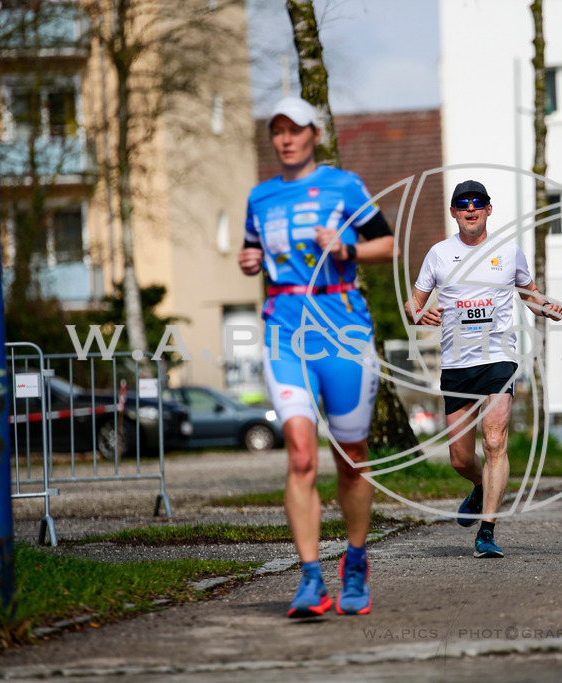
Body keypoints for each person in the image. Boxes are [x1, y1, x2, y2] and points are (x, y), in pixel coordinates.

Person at [239, 97, 395, 617]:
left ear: (315, 135)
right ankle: (310, 579)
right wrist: (249, 260)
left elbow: (388, 245)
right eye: (277, 131)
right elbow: (253, 250)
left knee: (351, 458)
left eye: (295, 130)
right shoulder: (259, 197)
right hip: (284, 328)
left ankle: (355, 561)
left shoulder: (344, 186)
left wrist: (347, 248)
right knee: (301, 455)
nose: (286, 139)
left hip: (343, 328)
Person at [406, 180, 562, 559]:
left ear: (489, 209)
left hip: (498, 358)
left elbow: (529, 294)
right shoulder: (439, 254)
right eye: (463, 204)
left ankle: (487, 531)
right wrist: (419, 314)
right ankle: (480, 486)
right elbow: (414, 303)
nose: (471, 209)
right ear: (454, 212)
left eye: (478, 203)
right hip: (457, 363)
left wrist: (545, 307)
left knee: (494, 442)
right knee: (460, 458)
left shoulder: (508, 252)